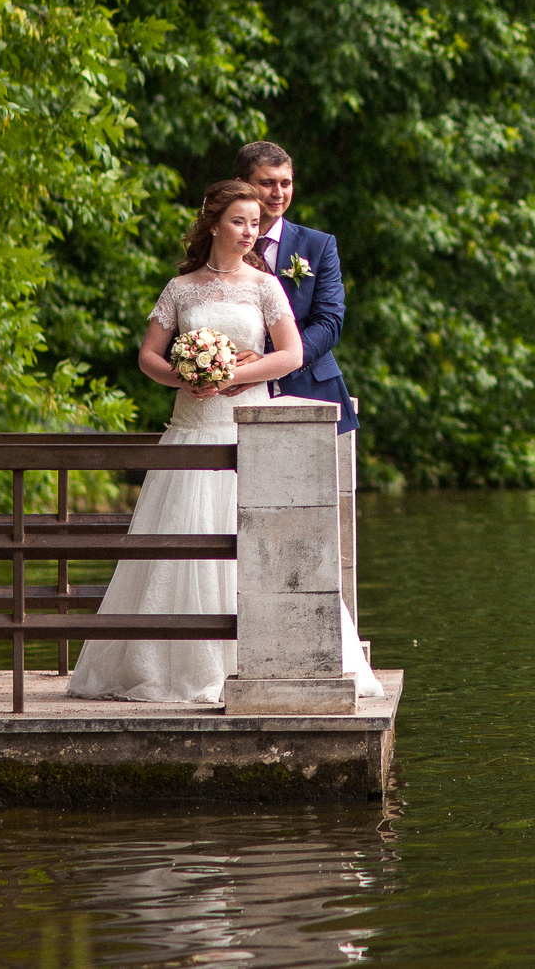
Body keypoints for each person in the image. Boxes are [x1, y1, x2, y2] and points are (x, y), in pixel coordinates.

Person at [69, 177, 380, 703]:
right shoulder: (180, 288)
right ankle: (171, 666)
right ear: (213, 223)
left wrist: (236, 377)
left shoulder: (264, 287)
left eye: (255, 224)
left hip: (246, 424)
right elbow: (148, 356)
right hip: (190, 426)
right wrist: (181, 376)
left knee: (248, 534)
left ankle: (262, 657)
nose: (249, 232)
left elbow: (292, 355)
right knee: (177, 540)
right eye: (239, 221)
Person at [236, 140, 360, 619]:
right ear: (245, 184)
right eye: (268, 183)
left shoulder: (316, 245)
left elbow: (330, 321)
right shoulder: (219, 244)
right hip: (233, 396)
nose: (278, 192)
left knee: (317, 537)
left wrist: (274, 361)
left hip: (308, 386)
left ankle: (328, 628)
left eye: (285, 182)